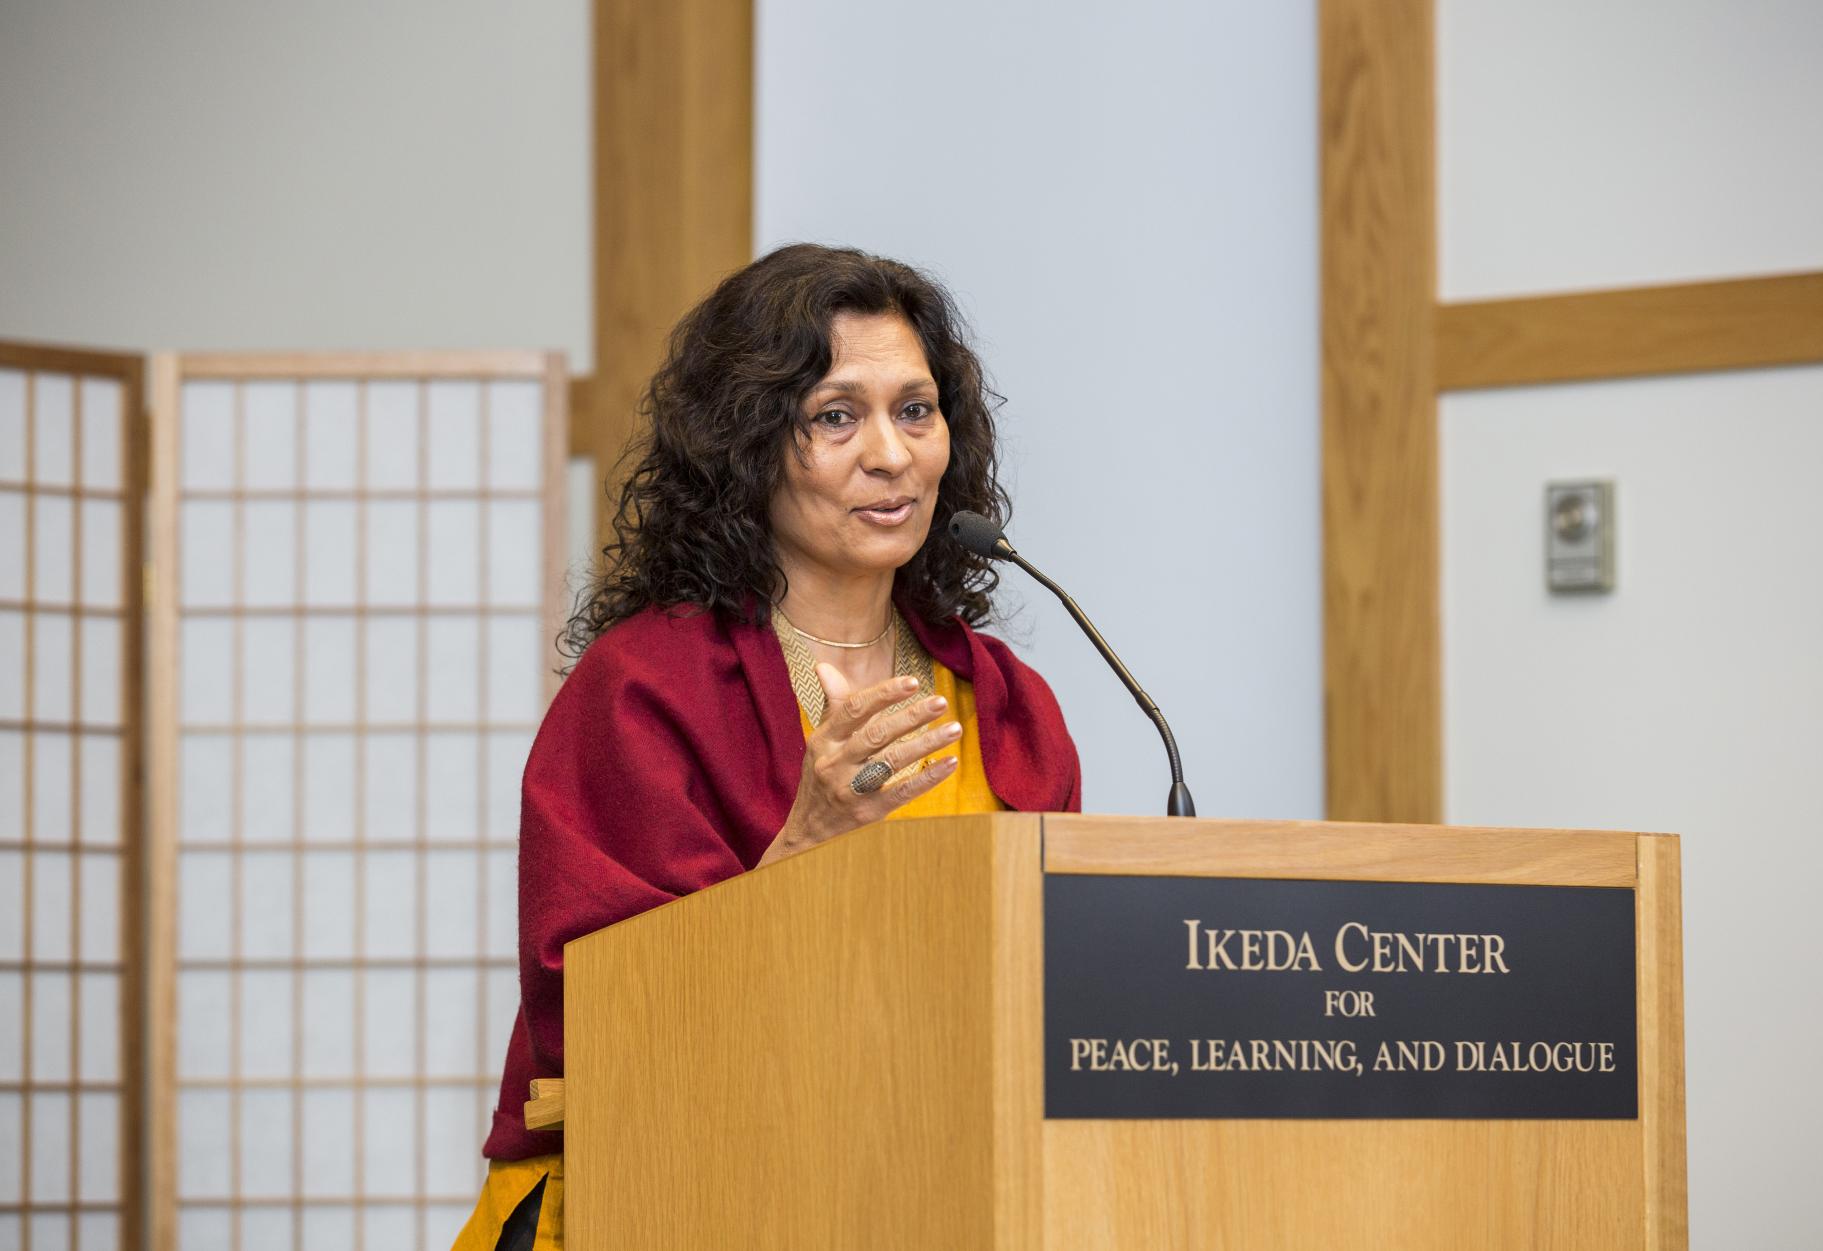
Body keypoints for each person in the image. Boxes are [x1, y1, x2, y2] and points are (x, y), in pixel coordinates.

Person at [453, 243, 1081, 1250]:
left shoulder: (1005, 702)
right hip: (670, 1189)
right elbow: (605, 1010)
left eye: (915, 411)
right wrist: (808, 842)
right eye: (836, 416)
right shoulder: (645, 688)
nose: (890, 454)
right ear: (746, 445)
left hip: (930, 1195)